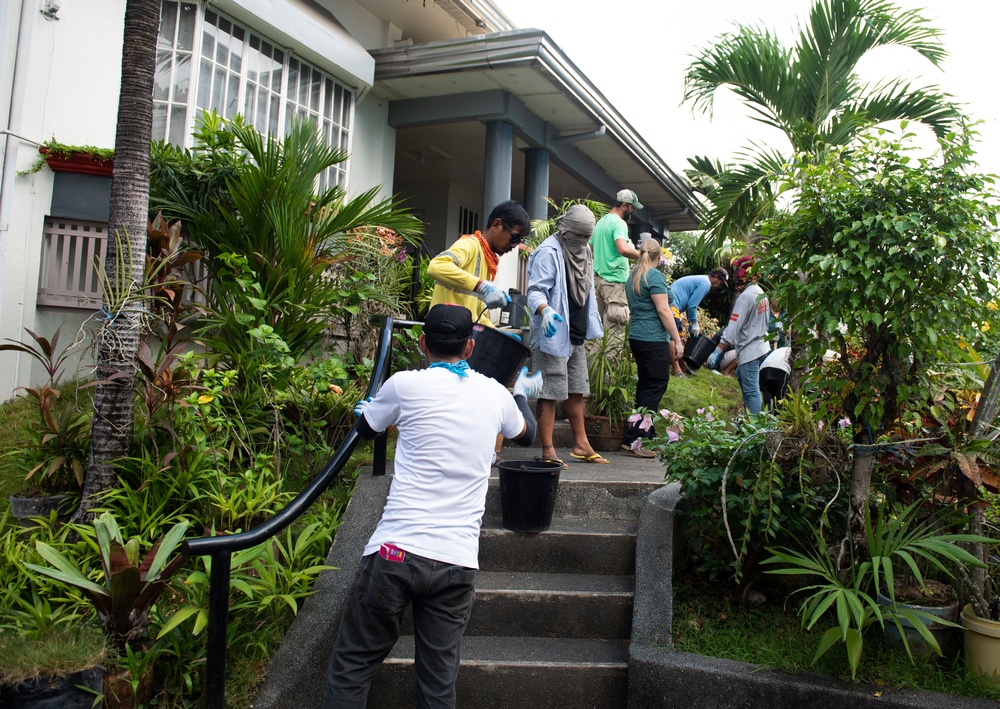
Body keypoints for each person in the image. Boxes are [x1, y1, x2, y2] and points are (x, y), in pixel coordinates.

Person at [323, 304, 542, 709]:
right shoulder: (494, 394)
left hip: (395, 551)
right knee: (438, 680)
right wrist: (520, 393)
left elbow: (367, 430)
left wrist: (374, 409)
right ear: (470, 346)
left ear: (422, 343)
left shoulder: (403, 384)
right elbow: (526, 436)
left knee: (353, 664)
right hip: (456, 561)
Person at [527, 204, 609, 466]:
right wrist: (546, 310)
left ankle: (581, 443)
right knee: (549, 392)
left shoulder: (585, 251)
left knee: (577, 390)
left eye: (588, 237)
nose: (584, 242)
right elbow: (535, 291)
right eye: (580, 236)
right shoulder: (547, 252)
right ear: (566, 230)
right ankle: (548, 450)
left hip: (576, 331)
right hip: (553, 332)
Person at [621, 238, 684, 457]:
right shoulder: (654, 276)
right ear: (659, 257)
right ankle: (637, 439)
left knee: (646, 385)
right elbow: (664, 311)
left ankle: (642, 435)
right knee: (656, 384)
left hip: (637, 336)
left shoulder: (633, 276)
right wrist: (677, 340)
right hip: (653, 338)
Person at [427, 200, 531, 326]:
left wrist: (498, 335)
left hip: (459, 335)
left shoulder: (486, 261)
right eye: (514, 237)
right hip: (443, 332)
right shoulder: (470, 245)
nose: (515, 245)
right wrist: (481, 286)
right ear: (496, 225)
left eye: (519, 241)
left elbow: (477, 317)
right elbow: (436, 266)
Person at [708, 258, 771, 415]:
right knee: (746, 385)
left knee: (751, 391)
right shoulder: (760, 293)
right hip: (759, 346)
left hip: (750, 349)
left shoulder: (745, 297)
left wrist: (718, 349)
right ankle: (747, 421)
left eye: (738, 273)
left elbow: (733, 327)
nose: (736, 277)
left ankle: (753, 428)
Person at [589, 189, 644, 334]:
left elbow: (589, 249)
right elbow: (622, 248)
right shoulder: (618, 223)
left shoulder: (600, 223)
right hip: (614, 283)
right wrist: (642, 255)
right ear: (624, 205)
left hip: (601, 283)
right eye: (632, 208)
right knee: (615, 333)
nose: (633, 212)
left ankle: (591, 358)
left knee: (602, 334)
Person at [667, 267, 729, 375]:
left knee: (678, 336)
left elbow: (689, 304)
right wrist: (694, 323)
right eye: (720, 282)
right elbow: (692, 305)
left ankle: (683, 366)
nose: (720, 285)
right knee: (673, 337)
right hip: (671, 306)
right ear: (715, 277)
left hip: (672, 305)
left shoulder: (701, 280)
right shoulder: (705, 283)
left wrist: (691, 322)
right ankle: (676, 370)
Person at [759, 346, 791, 411]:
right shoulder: (797, 353)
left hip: (764, 368)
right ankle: (778, 416)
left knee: (767, 393)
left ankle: (766, 413)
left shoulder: (782, 349)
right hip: (781, 369)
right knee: (780, 398)